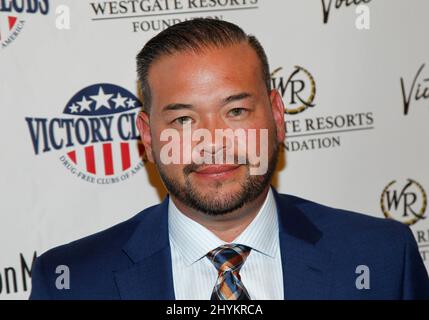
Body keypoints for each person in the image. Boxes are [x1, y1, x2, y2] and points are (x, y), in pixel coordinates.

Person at [30, 18, 429, 300]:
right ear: (148, 137)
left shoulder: (381, 257)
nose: (212, 141)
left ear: (276, 116)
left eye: (235, 112)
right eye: (183, 119)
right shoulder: (72, 282)